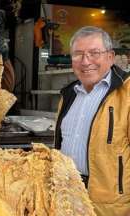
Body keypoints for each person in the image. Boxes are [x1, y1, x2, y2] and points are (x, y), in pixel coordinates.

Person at [55, 26, 130, 216]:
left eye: (94, 53)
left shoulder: (126, 93)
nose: (85, 61)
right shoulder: (68, 94)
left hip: (110, 205)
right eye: (78, 54)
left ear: (110, 56)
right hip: (67, 196)